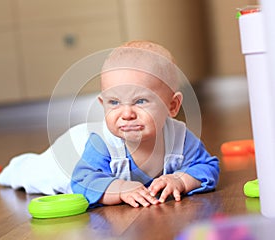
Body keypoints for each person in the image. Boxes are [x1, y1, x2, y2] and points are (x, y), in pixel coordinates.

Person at [71, 40, 219, 208]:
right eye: (114, 102)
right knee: (37, 173)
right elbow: (81, 181)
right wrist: (119, 189)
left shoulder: (179, 138)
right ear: (102, 103)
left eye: (140, 101)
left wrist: (181, 180)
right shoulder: (103, 142)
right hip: (70, 153)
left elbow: (207, 166)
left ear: (172, 105)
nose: (127, 114)